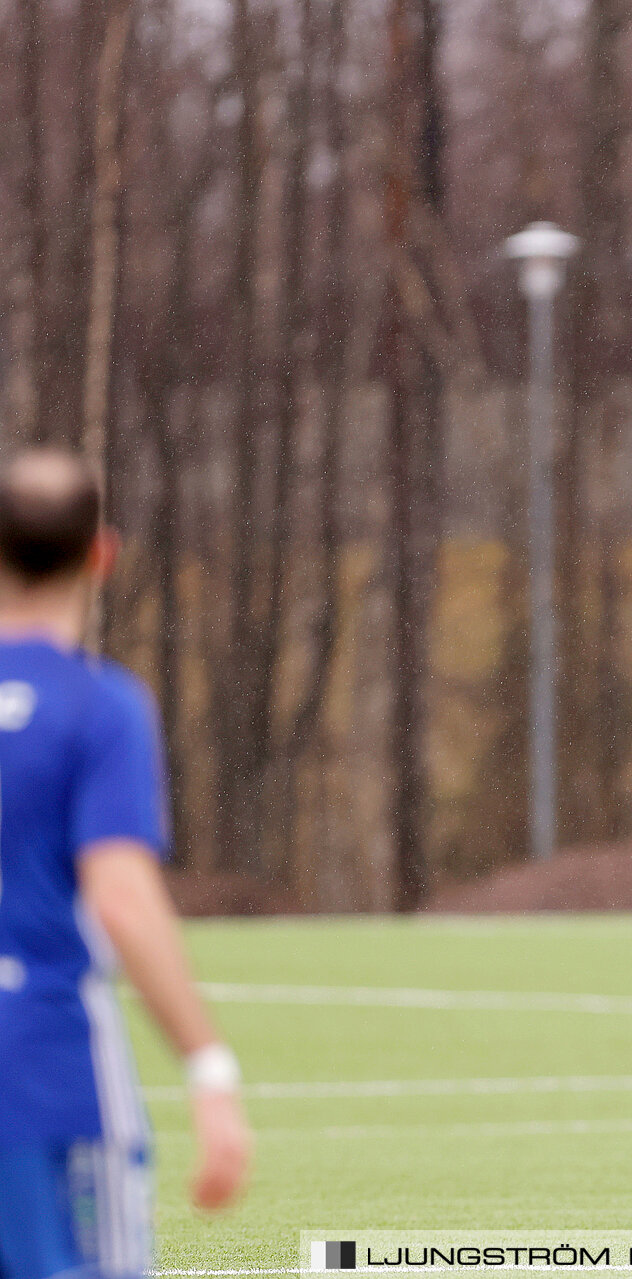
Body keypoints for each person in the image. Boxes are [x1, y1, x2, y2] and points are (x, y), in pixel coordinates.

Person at [0, 450, 252, 1279]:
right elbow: (122, 900)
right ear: (101, 554)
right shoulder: (100, 708)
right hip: (46, 1071)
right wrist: (207, 1065)